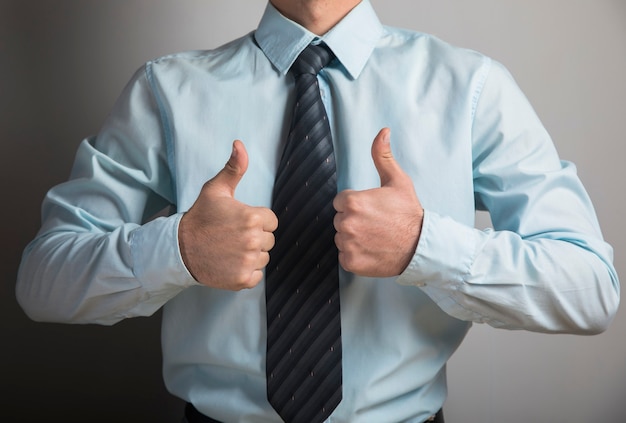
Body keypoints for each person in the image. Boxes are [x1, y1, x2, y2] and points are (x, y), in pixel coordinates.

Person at [16, 0, 620, 422]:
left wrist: (424, 247)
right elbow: (43, 282)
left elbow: (591, 289)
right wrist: (178, 251)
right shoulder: (165, 92)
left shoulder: (473, 89)